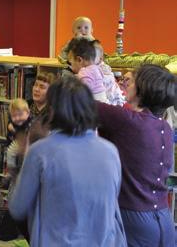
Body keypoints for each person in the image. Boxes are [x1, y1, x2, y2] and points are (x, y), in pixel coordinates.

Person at [9, 76, 126, 247]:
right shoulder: (111, 151)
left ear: (53, 109)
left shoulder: (40, 151)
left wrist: (16, 169)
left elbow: (17, 207)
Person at [97, 64, 177, 247]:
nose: (126, 85)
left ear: (142, 89)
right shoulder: (164, 126)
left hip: (133, 220)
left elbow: (83, 103)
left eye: (131, 81)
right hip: (163, 218)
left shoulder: (127, 120)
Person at [67, 37, 108, 102]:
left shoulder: (84, 72)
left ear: (79, 60)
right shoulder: (97, 69)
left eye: (71, 63)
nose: (71, 67)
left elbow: (83, 94)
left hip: (94, 107)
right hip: (102, 102)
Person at [93, 40, 126, 106]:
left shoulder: (102, 68)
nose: (88, 58)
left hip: (110, 96)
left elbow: (106, 81)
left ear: (100, 59)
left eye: (92, 56)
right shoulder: (92, 67)